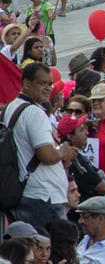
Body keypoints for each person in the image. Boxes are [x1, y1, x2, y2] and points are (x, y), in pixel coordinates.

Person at [9, 62, 74, 226]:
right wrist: (62, 151)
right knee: (54, 250)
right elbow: (47, 155)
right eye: (42, 83)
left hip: (28, 194)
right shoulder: (34, 112)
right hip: (43, 198)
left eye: (50, 84)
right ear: (26, 83)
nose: (48, 88)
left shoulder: (11, 107)